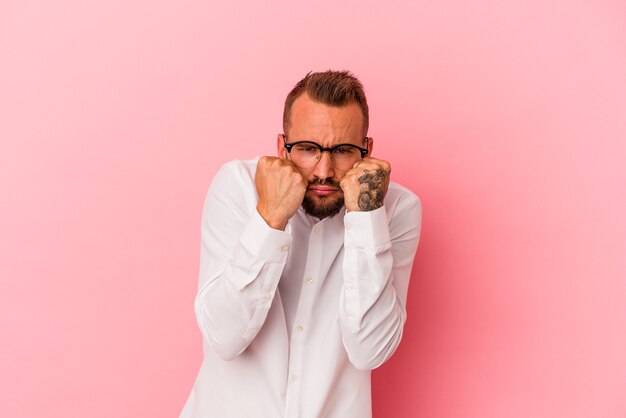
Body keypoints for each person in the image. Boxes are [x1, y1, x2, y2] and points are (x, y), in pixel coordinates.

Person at [180, 70, 422, 418]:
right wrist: (269, 219)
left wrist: (367, 217)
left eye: (342, 150)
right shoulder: (236, 187)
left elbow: (370, 350)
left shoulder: (396, 209)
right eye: (307, 149)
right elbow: (224, 337)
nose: (323, 170)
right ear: (282, 147)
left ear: (367, 150)